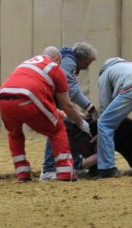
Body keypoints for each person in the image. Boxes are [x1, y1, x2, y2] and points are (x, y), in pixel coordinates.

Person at [0, 47, 90, 182]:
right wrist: (81, 123)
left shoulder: (26, 64)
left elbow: (47, 105)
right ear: (58, 59)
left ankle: (22, 173)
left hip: (4, 97)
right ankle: (65, 172)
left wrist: (60, 113)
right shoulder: (56, 68)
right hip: (29, 97)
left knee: (14, 134)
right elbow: (67, 105)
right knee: (58, 130)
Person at [37, 42, 99, 181]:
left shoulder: (67, 59)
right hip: (43, 96)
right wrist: (90, 108)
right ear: (82, 58)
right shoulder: (69, 63)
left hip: (44, 95)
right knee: (58, 127)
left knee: (67, 124)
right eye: (88, 62)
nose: (88, 66)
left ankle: (69, 163)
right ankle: (49, 169)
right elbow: (72, 90)